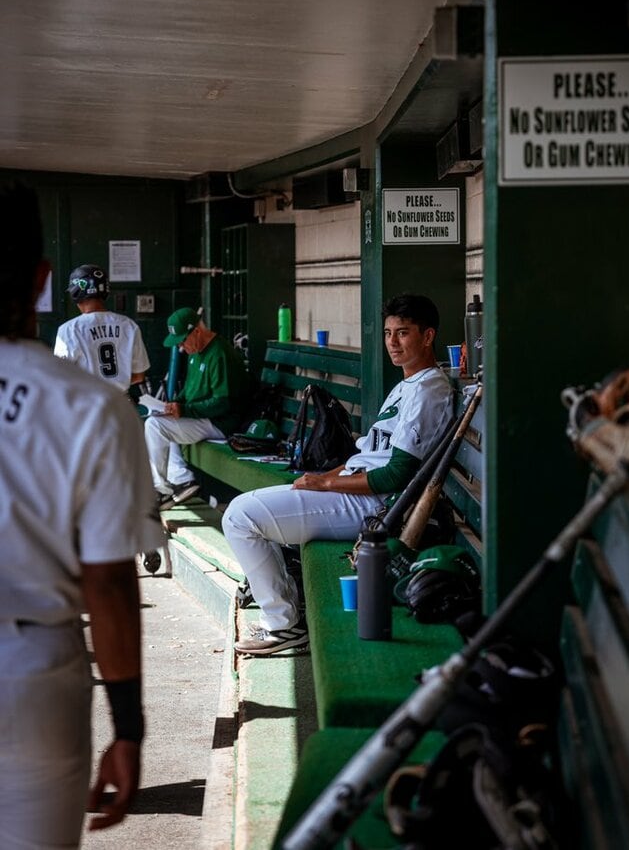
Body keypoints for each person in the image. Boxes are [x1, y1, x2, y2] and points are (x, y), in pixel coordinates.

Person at [0, 182, 166, 847]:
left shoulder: (77, 356)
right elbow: (109, 585)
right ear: (40, 281)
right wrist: (128, 727)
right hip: (37, 670)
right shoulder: (92, 408)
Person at [223, 293, 454, 656]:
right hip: (354, 490)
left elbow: (394, 475)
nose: (393, 342)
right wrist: (325, 475)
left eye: (403, 333)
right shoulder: (408, 382)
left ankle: (284, 626)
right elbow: (371, 455)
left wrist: (327, 482)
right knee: (250, 509)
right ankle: (285, 613)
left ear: (427, 336)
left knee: (239, 516)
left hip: (373, 505)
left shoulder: (429, 390)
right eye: (389, 333)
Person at [145, 306, 249, 509]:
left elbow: (222, 403)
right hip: (205, 418)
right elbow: (191, 392)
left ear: (197, 331)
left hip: (223, 423)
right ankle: (181, 479)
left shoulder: (219, 353)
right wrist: (174, 405)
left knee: (155, 426)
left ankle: (167, 487)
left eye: (183, 340)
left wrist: (183, 410)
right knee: (160, 422)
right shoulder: (196, 352)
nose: (182, 347)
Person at [54, 264, 150, 395]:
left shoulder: (69, 329)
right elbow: (139, 376)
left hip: (88, 404)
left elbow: (61, 378)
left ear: (76, 292)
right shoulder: (128, 325)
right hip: (119, 402)